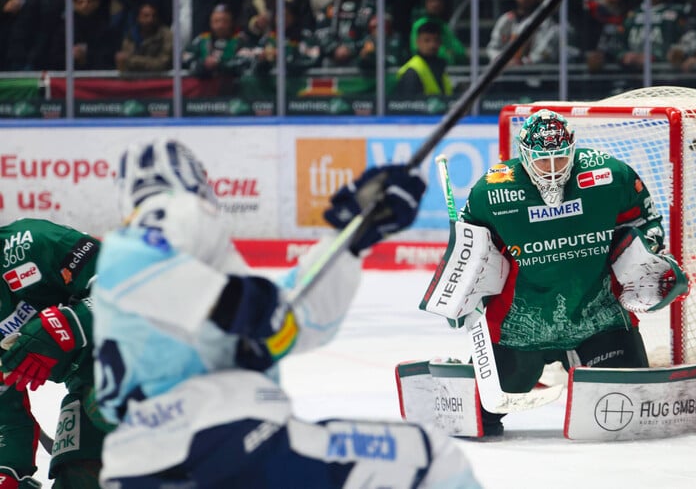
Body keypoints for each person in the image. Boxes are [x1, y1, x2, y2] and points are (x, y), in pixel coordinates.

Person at [92, 138, 479, 488]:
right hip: (221, 441)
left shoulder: (174, 302)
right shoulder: (171, 210)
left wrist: (349, 240)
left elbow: (292, 318)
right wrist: (237, 303)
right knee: (428, 458)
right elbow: (136, 264)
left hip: (140, 465)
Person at [427, 110, 684, 437]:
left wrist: (648, 253)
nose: (552, 170)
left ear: (573, 150)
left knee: (629, 420)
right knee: (479, 423)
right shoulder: (492, 190)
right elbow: (470, 246)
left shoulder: (609, 175)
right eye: (542, 161)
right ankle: (467, 371)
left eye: (560, 159)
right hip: (518, 328)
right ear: (524, 156)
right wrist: (460, 287)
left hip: (599, 317)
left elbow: (644, 220)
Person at [0, 218, 106, 488]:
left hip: (151, 356)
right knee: (76, 478)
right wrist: (7, 471)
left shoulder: (30, 241)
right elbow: (6, 411)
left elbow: (133, 286)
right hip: (86, 381)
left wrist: (72, 323)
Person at [393, 20, 451, 97]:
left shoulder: (441, 67)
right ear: (418, 42)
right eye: (427, 40)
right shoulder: (412, 71)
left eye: (436, 40)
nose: (432, 45)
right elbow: (408, 103)